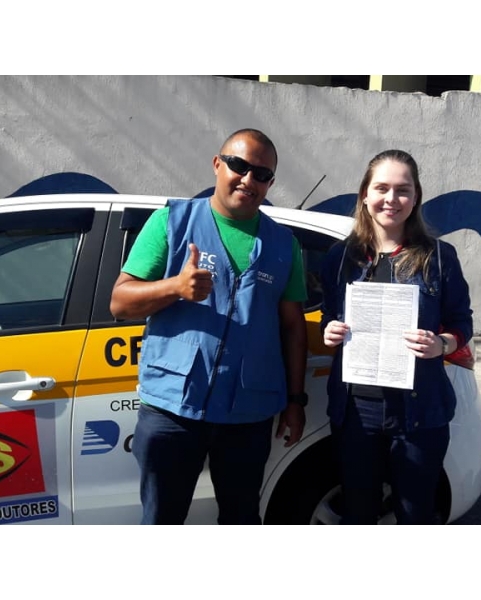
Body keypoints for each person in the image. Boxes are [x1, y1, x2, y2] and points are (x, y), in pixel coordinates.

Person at [110, 128, 308, 525]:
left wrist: (295, 401)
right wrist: (175, 287)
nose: (249, 180)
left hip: (248, 414)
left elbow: (292, 327)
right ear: (218, 164)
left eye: (262, 174)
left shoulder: (284, 245)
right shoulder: (172, 222)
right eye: (239, 166)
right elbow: (120, 302)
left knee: (241, 519)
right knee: (162, 520)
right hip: (173, 410)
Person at [319, 149, 473, 524]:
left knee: (415, 513)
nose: (392, 199)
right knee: (359, 511)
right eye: (382, 188)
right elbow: (328, 313)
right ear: (365, 195)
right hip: (357, 410)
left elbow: (461, 321)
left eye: (403, 189)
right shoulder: (341, 257)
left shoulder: (439, 257)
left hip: (419, 410)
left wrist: (443, 344)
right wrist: (330, 330)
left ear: (416, 196)